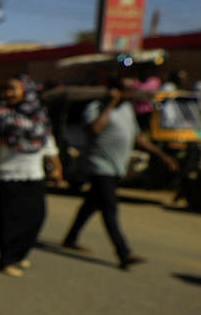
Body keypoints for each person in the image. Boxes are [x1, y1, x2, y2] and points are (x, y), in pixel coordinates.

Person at [61, 78, 178, 267]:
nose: (128, 94)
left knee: (90, 204)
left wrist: (162, 156)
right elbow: (95, 128)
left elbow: (138, 137)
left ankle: (71, 238)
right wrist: (111, 104)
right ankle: (123, 253)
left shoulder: (127, 110)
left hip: (117, 167)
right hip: (99, 166)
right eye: (124, 90)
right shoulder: (96, 107)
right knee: (109, 208)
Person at [0, 75, 61, 276]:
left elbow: (48, 141)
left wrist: (57, 166)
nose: (8, 93)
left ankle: (20, 254)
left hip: (34, 174)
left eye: (13, 88)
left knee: (37, 217)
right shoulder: (0, 114)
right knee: (8, 222)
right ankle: (7, 260)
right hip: (7, 175)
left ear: (26, 90)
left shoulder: (39, 114)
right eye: (6, 89)